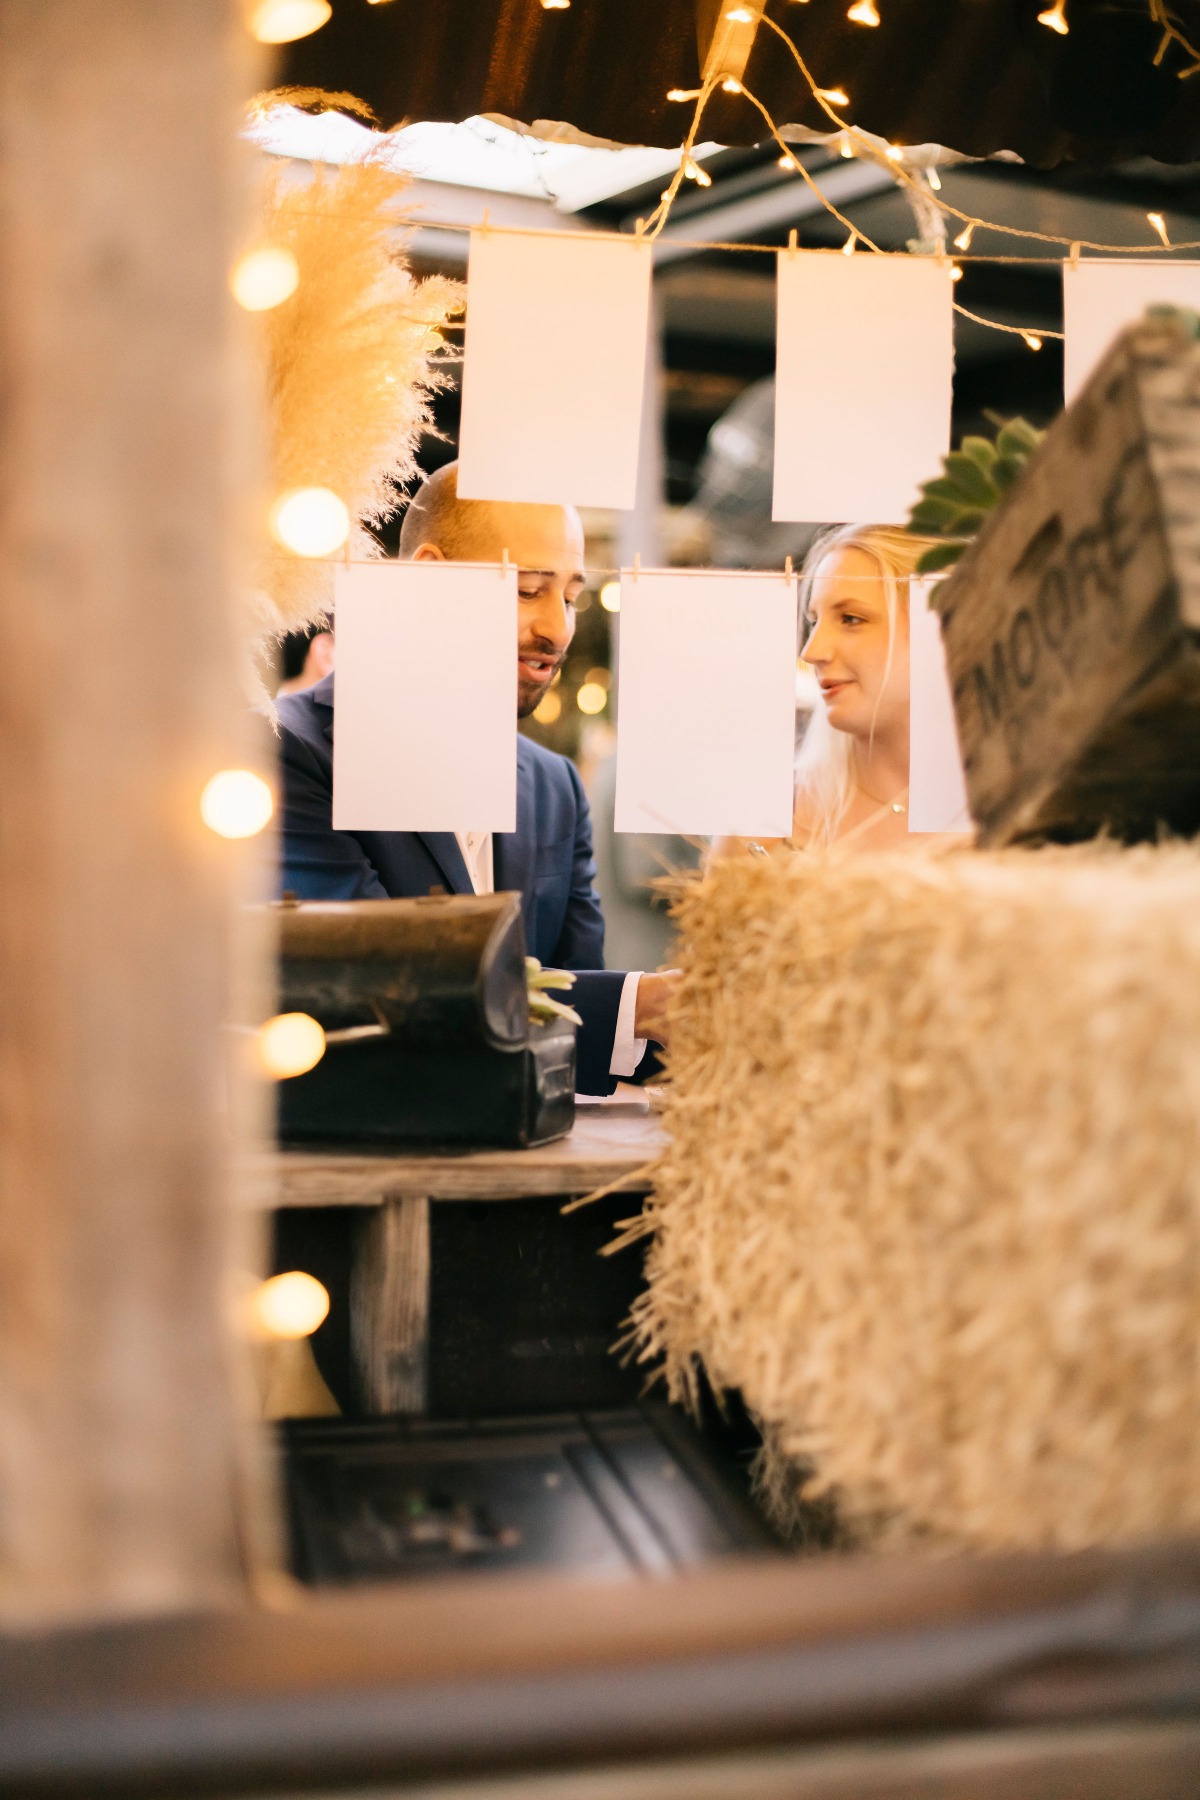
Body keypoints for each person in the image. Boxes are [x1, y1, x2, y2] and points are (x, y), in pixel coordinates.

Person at [275, 462, 675, 1095]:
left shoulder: (553, 787)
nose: (558, 629)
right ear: (434, 574)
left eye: (570, 596)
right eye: (528, 590)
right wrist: (641, 1005)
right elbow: (371, 984)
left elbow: (570, 1031)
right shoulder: (291, 752)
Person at [715, 523, 946, 860]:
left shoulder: (1024, 815)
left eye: (851, 618)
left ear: (938, 627)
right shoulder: (767, 824)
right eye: (813, 621)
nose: (811, 650)